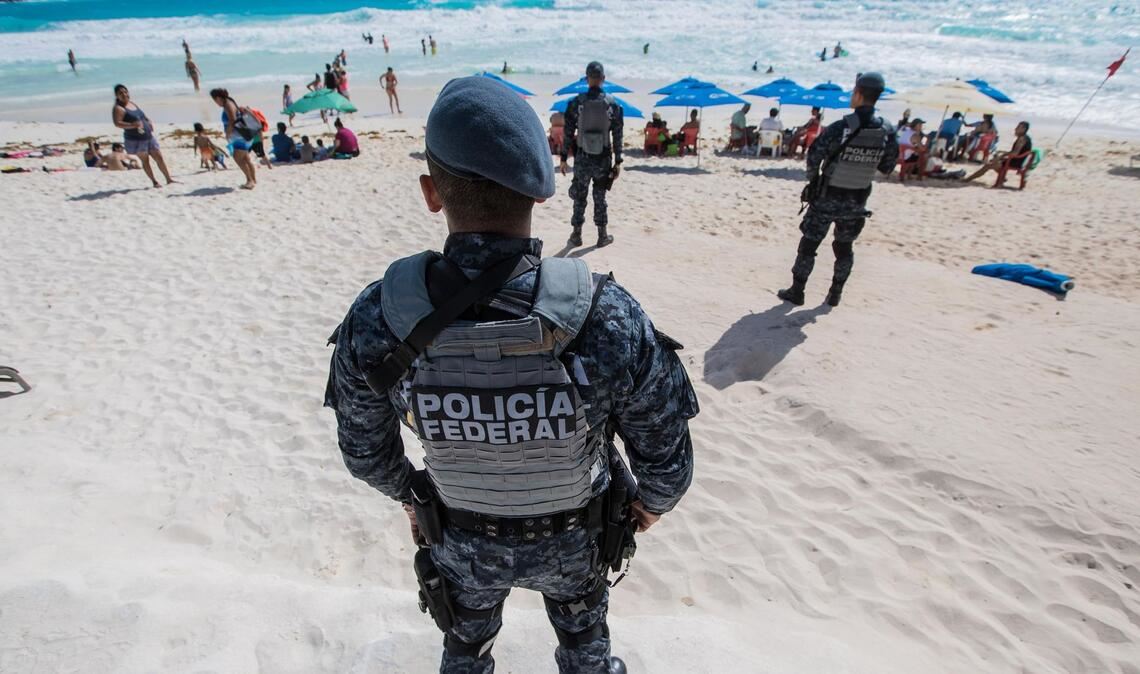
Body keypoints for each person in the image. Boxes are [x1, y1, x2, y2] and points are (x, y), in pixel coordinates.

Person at [325, 74, 697, 674]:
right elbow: (668, 460)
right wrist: (647, 505)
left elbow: (364, 453)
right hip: (577, 543)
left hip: (460, 541)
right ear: (544, 190)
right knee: (586, 652)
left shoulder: (380, 316)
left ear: (431, 192)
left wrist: (413, 494)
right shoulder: (606, 314)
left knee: (464, 652)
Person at [777, 72, 898, 307]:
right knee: (844, 248)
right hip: (857, 200)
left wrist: (814, 181)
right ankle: (835, 294)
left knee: (809, 246)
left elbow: (814, 156)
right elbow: (887, 166)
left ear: (858, 93)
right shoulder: (886, 131)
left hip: (826, 198)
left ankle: (798, 291)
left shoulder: (841, 127)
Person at [559, 61, 623, 248]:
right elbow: (618, 134)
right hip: (603, 158)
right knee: (600, 197)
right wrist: (618, 160)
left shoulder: (576, 103)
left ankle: (576, 235)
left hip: (583, 157)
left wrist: (563, 158)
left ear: (587, 79)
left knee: (580, 196)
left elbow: (568, 133)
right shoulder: (612, 105)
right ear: (603, 79)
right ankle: (602, 235)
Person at [111, 84, 176, 188]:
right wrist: (132, 125)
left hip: (148, 136)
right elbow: (117, 123)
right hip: (136, 140)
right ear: (116, 95)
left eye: (125, 92)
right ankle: (155, 182)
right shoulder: (118, 108)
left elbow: (142, 115)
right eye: (120, 93)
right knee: (146, 161)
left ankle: (168, 179)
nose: (124, 94)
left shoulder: (132, 103)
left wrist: (148, 121)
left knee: (159, 157)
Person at [209, 87, 257, 189]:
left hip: (240, 136)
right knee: (246, 158)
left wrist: (228, 133)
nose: (215, 103)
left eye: (214, 100)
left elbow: (232, 120)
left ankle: (250, 180)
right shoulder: (230, 101)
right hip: (243, 135)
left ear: (218, 98)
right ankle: (253, 179)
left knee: (238, 158)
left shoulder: (227, 104)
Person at [963, 121, 1032, 185]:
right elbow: (1016, 152)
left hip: (1016, 162)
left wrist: (1002, 156)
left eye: (1018, 127)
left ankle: (968, 179)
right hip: (1017, 160)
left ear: (1024, 129)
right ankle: (1002, 178)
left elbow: (1015, 153)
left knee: (988, 165)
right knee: (993, 161)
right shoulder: (1025, 138)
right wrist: (1002, 154)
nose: (1015, 129)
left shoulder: (1022, 139)